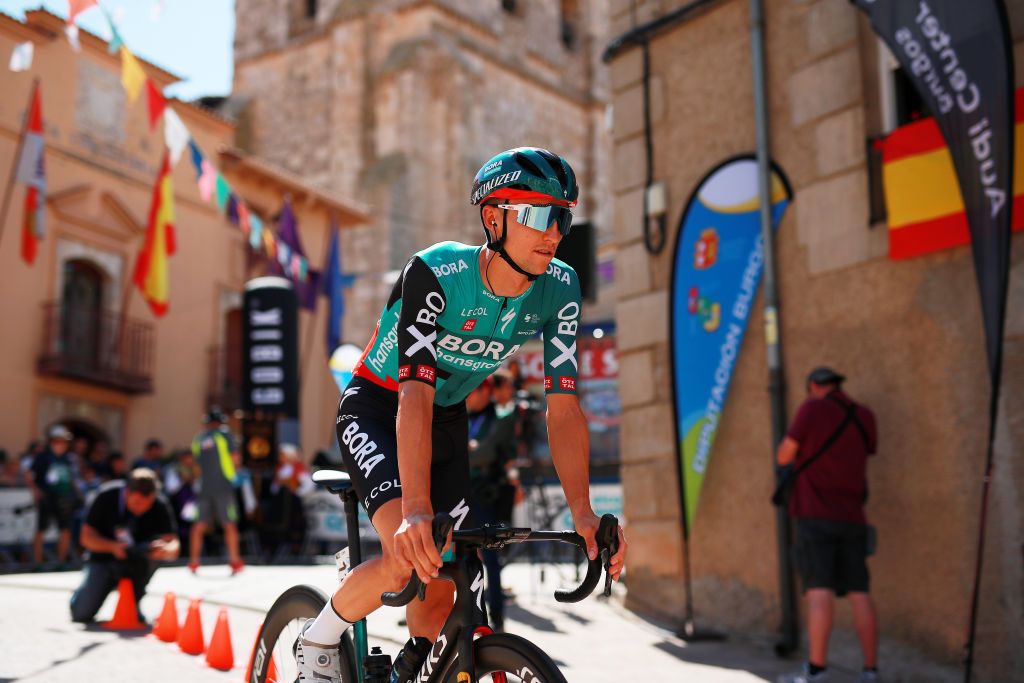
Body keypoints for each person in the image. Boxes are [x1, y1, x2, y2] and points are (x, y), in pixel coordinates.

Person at [295, 147, 627, 681]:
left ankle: (415, 663)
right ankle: (317, 642)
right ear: (493, 217)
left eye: (563, 217)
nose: (555, 232)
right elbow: (414, 395)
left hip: (446, 417)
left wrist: (582, 513)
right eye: (540, 215)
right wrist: (415, 510)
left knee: (448, 579)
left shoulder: (560, 286)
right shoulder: (436, 273)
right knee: (412, 551)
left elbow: (562, 409)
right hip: (380, 407)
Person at [776, 367, 880, 683]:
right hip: (853, 516)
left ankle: (817, 670)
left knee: (819, 593)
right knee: (860, 593)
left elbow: (784, 456)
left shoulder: (812, 409)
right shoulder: (865, 415)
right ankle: (871, 670)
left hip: (814, 514)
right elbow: (868, 452)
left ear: (813, 387)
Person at [70, 468, 178, 623]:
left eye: (147, 504)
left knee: (149, 559)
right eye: (137, 503)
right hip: (103, 559)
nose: (142, 509)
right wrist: (112, 547)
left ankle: (133, 602)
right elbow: (86, 538)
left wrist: (166, 550)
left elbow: (173, 544)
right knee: (81, 614)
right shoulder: (105, 496)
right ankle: (83, 593)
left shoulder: (159, 504)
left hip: (137, 563)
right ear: (127, 492)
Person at [466, 378, 518, 632]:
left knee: (490, 559)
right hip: (463, 494)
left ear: (486, 390)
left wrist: (469, 451)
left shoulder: (500, 417)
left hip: (487, 496)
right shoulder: (465, 415)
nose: (469, 396)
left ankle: (494, 618)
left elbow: (483, 455)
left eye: (473, 390)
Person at [188, 407, 244, 574]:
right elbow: (235, 458)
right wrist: (235, 472)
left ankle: (194, 562)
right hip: (224, 486)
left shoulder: (199, 439)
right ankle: (234, 560)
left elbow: (195, 465)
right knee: (229, 523)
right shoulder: (224, 434)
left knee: (199, 524)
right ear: (221, 421)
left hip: (204, 487)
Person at [27, 425, 81, 566]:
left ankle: (60, 562)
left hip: (64, 498)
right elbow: (29, 474)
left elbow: (72, 478)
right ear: (52, 441)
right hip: (46, 497)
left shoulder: (68, 459)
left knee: (65, 530)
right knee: (41, 529)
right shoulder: (43, 457)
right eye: (58, 441)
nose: (61, 444)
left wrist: (76, 493)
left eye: (63, 441)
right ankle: (37, 563)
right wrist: (35, 491)